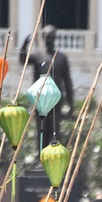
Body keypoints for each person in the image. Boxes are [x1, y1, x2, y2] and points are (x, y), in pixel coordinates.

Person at [19, 25, 75, 153]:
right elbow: (23, 60)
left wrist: (71, 104)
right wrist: (24, 46)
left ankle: (53, 157)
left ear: (55, 38)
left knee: (55, 132)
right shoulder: (37, 55)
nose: (49, 39)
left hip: (55, 101)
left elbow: (67, 82)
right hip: (40, 101)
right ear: (43, 38)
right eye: (47, 36)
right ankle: (40, 156)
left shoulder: (61, 58)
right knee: (42, 131)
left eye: (51, 36)